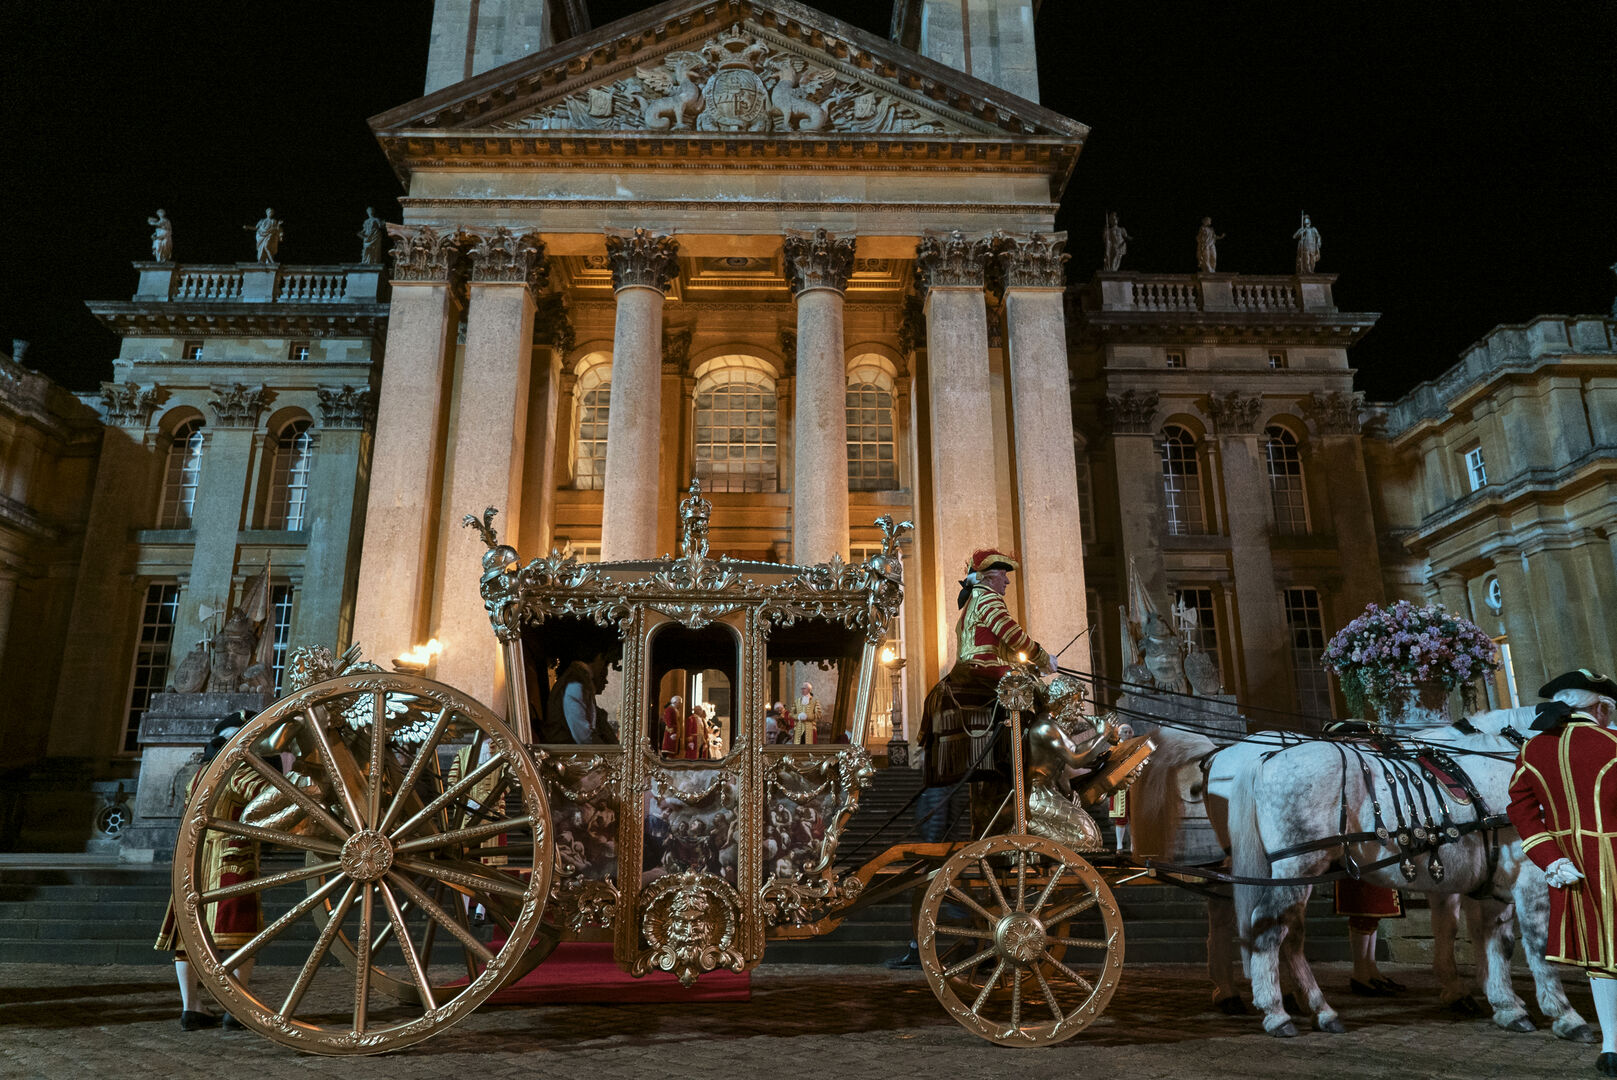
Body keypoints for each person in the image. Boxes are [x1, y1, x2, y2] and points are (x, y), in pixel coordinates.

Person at [891, 548, 1051, 969]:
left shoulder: (974, 601)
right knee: (1039, 700)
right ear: (989, 574)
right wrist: (1042, 657)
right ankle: (1038, 777)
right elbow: (1012, 636)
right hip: (981, 676)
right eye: (1004, 574)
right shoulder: (988, 599)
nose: (1008, 581)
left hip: (969, 678)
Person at [1507, 668, 1617, 1077]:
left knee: (1600, 956)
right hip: (1614, 857)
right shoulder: (1612, 743)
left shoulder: (1533, 751)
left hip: (1570, 867)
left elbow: (1519, 808)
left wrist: (1551, 857)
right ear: (1600, 707)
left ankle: (1612, 1048)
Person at [155, 712, 264, 1030]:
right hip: (231, 857)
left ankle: (192, 1007)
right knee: (239, 935)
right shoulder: (240, 772)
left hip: (193, 858)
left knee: (187, 937)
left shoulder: (199, 772)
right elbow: (270, 801)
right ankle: (236, 1006)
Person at [542, 647, 616, 744]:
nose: (603, 669)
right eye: (604, 663)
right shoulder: (575, 684)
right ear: (599, 658)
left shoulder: (579, 681)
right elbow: (584, 737)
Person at [791, 681, 822, 745]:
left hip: (810, 729)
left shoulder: (815, 701)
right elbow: (791, 714)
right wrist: (798, 716)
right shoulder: (796, 701)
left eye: (804, 688)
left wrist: (807, 717)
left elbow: (818, 715)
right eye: (801, 688)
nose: (802, 690)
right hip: (798, 730)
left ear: (809, 690)